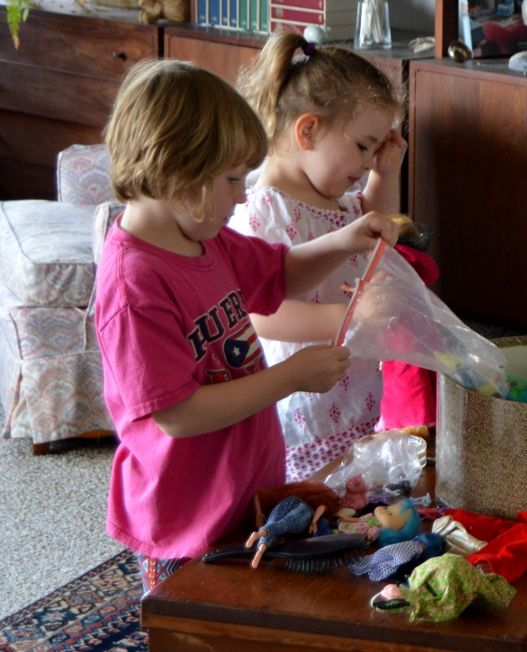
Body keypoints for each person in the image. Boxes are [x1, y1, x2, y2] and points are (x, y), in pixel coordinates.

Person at [94, 59, 398, 593]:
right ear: (175, 170)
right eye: (232, 179)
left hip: (242, 486)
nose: (242, 195)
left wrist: (344, 239)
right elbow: (178, 415)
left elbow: (277, 272)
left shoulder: (205, 237)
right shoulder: (133, 283)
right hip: (186, 515)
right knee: (198, 625)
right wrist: (291, 377)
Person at [230, 32, 411, 482]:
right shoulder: (264, 209)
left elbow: (376, 232)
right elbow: (261, 316)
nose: (368, 162)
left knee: (351, 504)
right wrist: (348, 316)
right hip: (302, 408)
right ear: (307, 130)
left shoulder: (337, 198)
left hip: (351, 396)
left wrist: (386, 174)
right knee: (306, 509)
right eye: (362, 145)